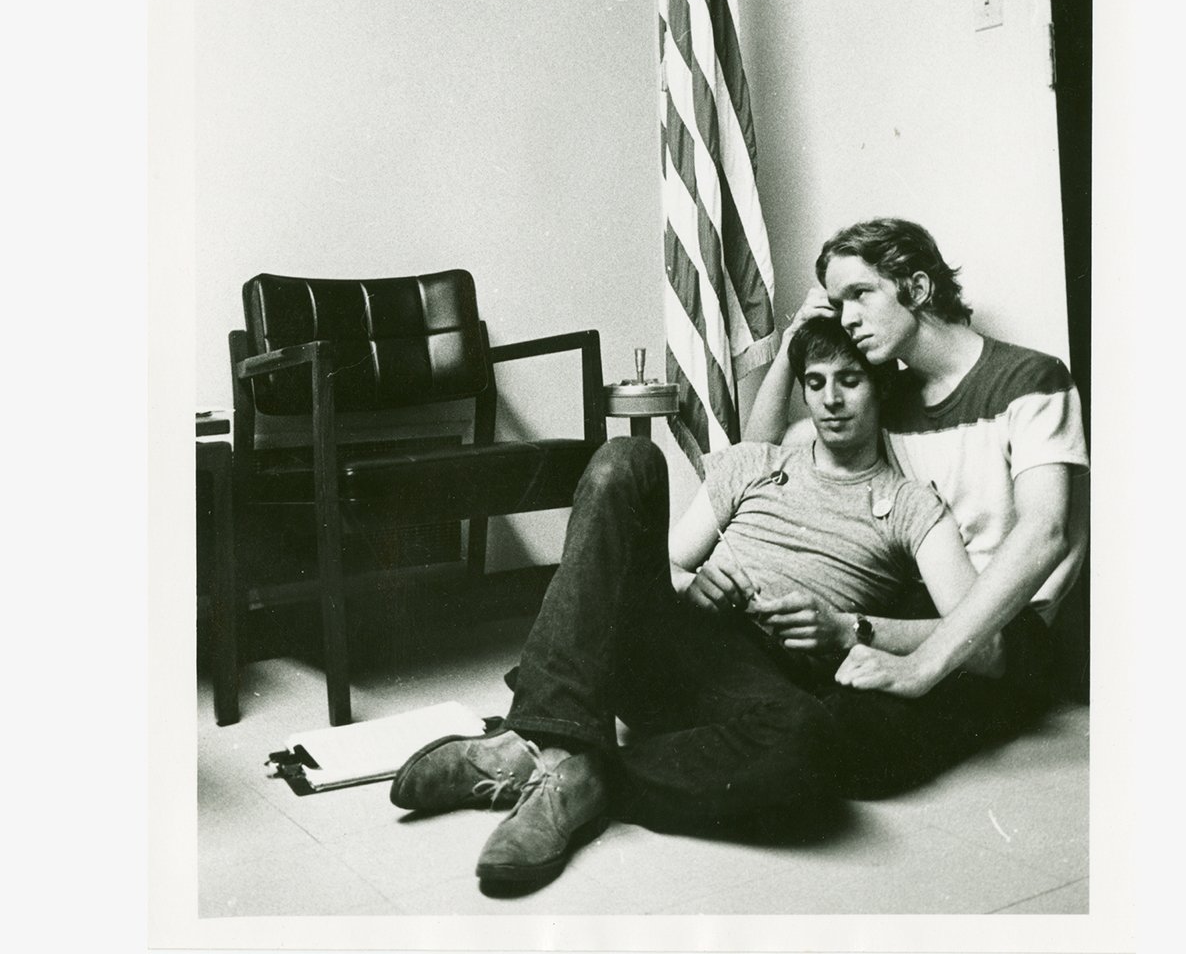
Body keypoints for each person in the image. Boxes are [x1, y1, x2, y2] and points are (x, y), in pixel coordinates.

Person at [387, 315, 988, 889]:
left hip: (756, 679)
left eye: (850, 381)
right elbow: (663, 563)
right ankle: (535, 738)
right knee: (627, 460)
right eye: (816, 382)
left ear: (880, 385)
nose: (830, 399)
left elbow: (979, 639)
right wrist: (690, 585)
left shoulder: (910, 505)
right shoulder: (756, 463)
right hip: (674, 636)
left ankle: (575, 773)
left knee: (805, 736)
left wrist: (844, 628)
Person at [745, 216, 1089, 705]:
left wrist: (919, 666)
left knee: (832, 722)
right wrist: (792, 346)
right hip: (908, 610)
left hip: (1009, 629)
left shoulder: (1031, 379)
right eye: (838, 303)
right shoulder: (891, 400)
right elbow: (762, 454)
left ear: (919, 288)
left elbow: (1045, 533)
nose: (846, 319)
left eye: (860, 293)